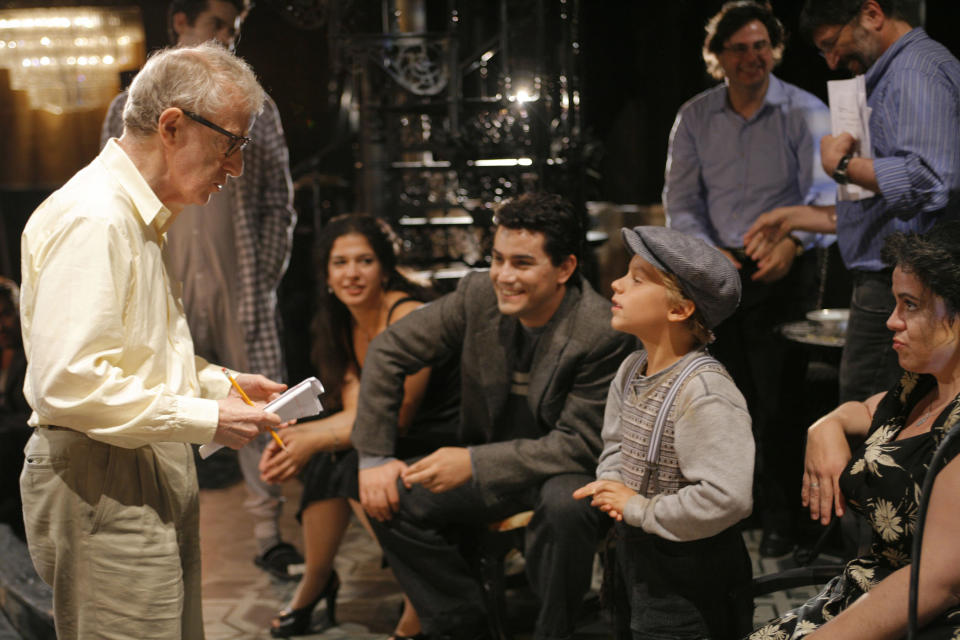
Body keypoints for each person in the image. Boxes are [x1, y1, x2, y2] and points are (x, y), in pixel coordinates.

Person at [19, 43, 285, 639]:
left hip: (131, 467)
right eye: (232, 144)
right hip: (101, 476)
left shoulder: (133, 217)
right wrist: (202, 415)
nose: (236, 167)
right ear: (172, 126)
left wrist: (221, 385)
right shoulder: (95, 218)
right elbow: (69, 383)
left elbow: (132, 358)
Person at [352, 193, 636, 640]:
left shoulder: (599, 331)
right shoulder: (477, 293)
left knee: (565, 505)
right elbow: (390, 350)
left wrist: (473, 463)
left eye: (522, 263)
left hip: (560, 471)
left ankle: (553, 631)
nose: (504, 276)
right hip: (490, 462)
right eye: (498, 259)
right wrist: (373, 457)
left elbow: (578, 444)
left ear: (564, 269)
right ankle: (463, 623)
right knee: (388, 495)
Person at [100, 0, 302, 581]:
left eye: (233, 32)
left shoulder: (252, 107)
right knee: (160, 391)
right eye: (215, 27)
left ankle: (269, 533)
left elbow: (277, 201)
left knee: (261, 402)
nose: (225, 41)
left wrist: (262, 276)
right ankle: (157, 536)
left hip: (237, 279)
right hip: (164, 275)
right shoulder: (130, 106)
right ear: (180, 25)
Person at [663, 0, 835, 557]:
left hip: (785, 264)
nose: (751, 57)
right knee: (720, 396)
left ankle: (787, 520)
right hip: (717, 270)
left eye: (761, 45)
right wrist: (707, 253)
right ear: (717, 56)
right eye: (738, 47)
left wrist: (793, 242)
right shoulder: (694, 116)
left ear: (775, 50)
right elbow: (682, 202)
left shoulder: (805, 110)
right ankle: (734, 510)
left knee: (782, 402)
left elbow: (826, 196)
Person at [749, 219, 960, 639]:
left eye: (910, 305)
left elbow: (936, 583)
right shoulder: (921, 385)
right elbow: (866, 409)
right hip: (863, 592)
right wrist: (827, 425)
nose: (891, 321)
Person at [744, 0, 960, 405]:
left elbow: (930, 180)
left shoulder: (913, 72)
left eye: (831, 43)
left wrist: (841, 164)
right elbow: (886, 207)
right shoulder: (895, 74)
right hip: (892, 281)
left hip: (901, 284)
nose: (831, 61)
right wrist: (794, 217)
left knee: (870, 418)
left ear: (872, 15)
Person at [258, 214, 459, 638]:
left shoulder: (408, 314)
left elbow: (394, 415)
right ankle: (317, 582)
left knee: (340, 462)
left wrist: (308, 439)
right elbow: (358, 410)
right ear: (327, 274)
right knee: (328, 458)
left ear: (384, 268)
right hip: (395, 437)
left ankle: (418, 599)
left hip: (440, 440)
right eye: (340, 262)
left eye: (364, 261)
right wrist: (300, 438)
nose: (351, 273)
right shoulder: (347, 321)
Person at [574, 226, 754, 640]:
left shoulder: (704, 391)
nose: (617, 284)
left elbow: (726, 498)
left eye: (637, 279)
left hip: (690, 570)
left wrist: (639, 508)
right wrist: (612, 483)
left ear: (679, 310)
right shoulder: (632, 369)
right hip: (636, 552)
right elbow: (616, 444)